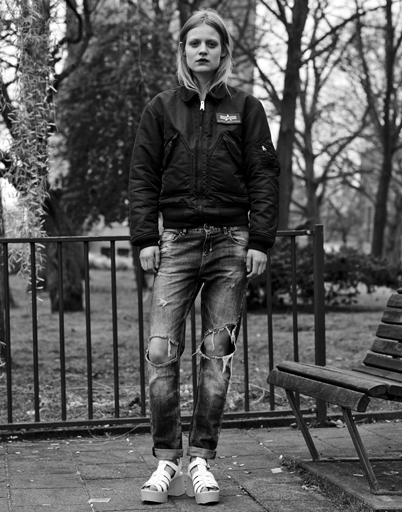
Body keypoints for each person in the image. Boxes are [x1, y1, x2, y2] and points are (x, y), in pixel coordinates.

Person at [128, 8, 280, 505]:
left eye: (211, 44)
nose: (202, 50)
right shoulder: (161, 108)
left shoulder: (246, 107)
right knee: (160, 351)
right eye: (194, 43)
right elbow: (142, 175)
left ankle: (201, 460)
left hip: (231, 243)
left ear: (223, 52)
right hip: (177, 242)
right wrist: (144, 238)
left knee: (217, 354)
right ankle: (166, 460)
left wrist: (260, 241)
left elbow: (263, 176)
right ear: (183, 51)